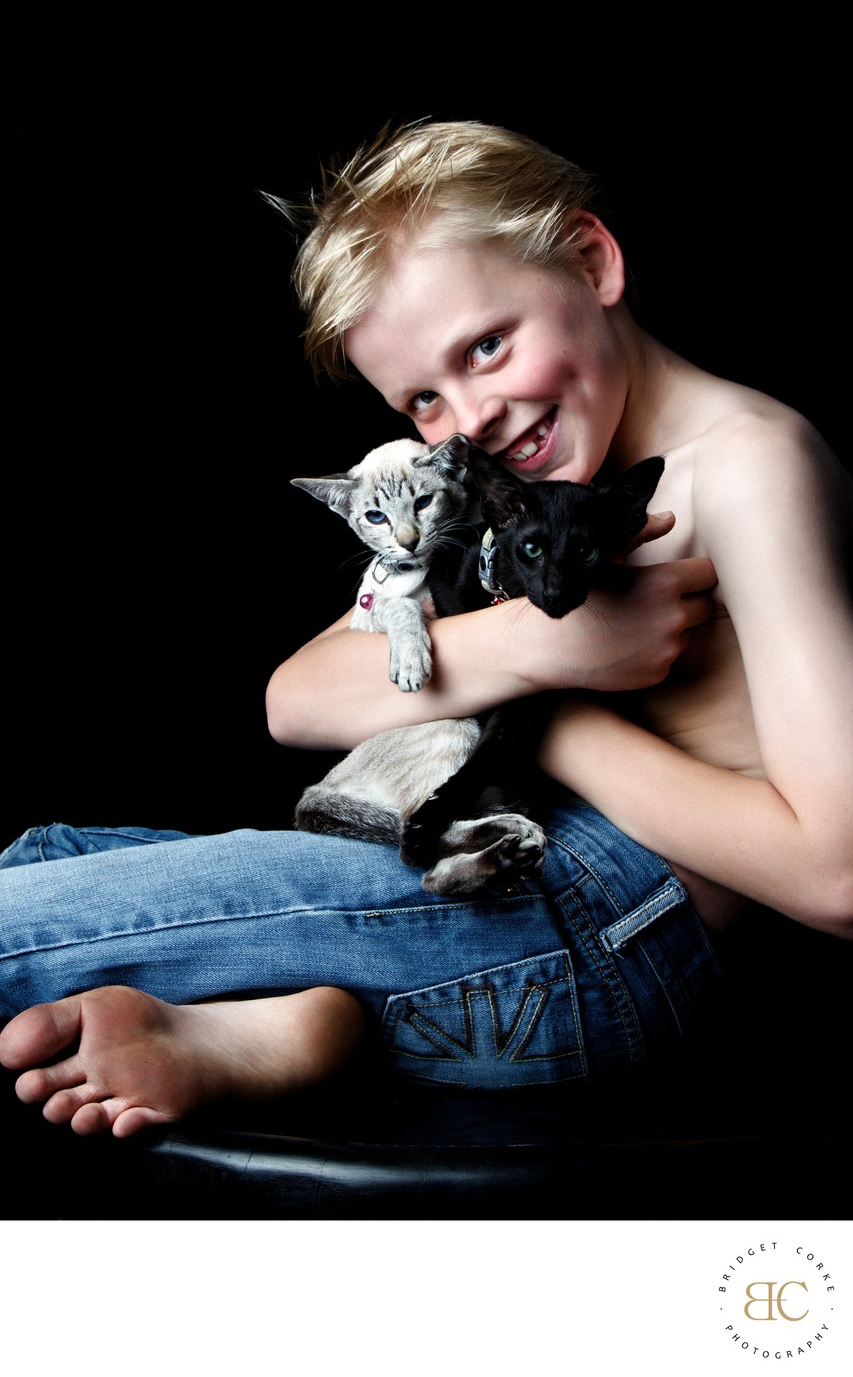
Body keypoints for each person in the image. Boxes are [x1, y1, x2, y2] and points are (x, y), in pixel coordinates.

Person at [1, 119, 851, 1139]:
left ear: (591, 259)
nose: (472, 416)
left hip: (610, 928)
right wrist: (537, 650)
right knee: (38, 860)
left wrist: (551, 723)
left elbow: (836, 875)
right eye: (423, 400)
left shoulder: (749, 468)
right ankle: (308, 1023)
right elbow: (297, 694)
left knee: (16, 925)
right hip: (488, 882)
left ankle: (314, 1015)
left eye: (486, 345)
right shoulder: (523, 487)